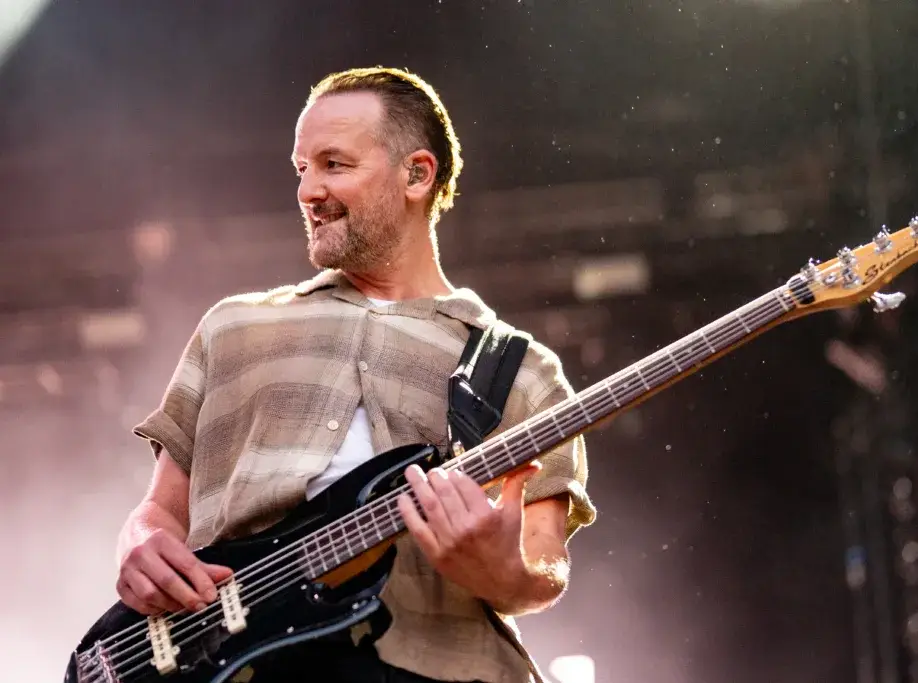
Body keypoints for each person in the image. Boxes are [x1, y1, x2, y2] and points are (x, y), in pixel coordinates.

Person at [115, 66, 596, 683]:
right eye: (301, 168)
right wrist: (138, 543)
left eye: (333, 164)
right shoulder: (231, 326)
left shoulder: (522, 370)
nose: (307, 190)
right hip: (235, 665)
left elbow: (544, 560)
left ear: (418, 174)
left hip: (442, 666)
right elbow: (161, 511)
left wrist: (504, 572)